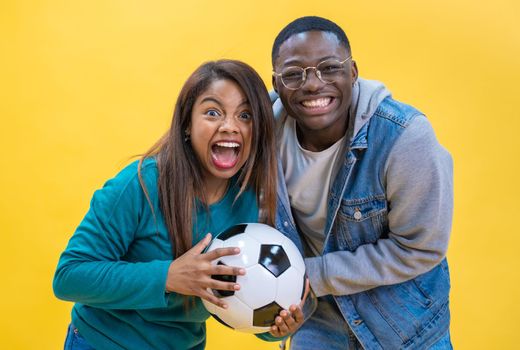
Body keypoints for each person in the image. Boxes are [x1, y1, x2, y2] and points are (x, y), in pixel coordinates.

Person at [53, 59, 305, 350]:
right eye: (213, 112)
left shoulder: (251, 202)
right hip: (103, 343)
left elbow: (245, 302)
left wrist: (277, 326)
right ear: (187, 123)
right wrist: (168, 277)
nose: (229, 126)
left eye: (245, 115)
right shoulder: (141, 185)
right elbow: (69, 276)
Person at [270, 16, 454, 349]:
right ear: (277, 83)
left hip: (402, 319)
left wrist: (312, 274)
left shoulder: (404, 138)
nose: (312, 84)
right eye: (294, 74)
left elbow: (420, 247)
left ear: (353, 72)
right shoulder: (261, 140)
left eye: (329, 67)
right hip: (318, 315)